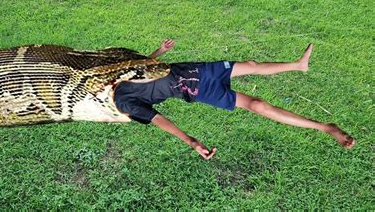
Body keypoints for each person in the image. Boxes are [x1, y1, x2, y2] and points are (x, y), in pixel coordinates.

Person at [112, 39, 356, 160]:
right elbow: (158, 119)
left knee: (251, 65)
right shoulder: (124, 103)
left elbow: (146, 65)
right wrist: (192, 141)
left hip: (200, 71)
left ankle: (298, 65)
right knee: (257, 105)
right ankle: (325, 127)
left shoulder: (118, 71)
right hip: (198, 92)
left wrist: (160, 52)